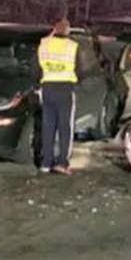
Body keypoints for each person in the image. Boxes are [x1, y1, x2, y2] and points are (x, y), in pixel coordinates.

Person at [37, 18, 86, 175]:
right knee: (65, 127)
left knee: (48, 126)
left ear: (54, 29)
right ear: (67, 31)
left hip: (47, 88)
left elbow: (35, 68)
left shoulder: (44, 44)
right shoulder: (72, 47)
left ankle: (46, 163)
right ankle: (62, 163)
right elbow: (80, 70)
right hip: (65, 89)